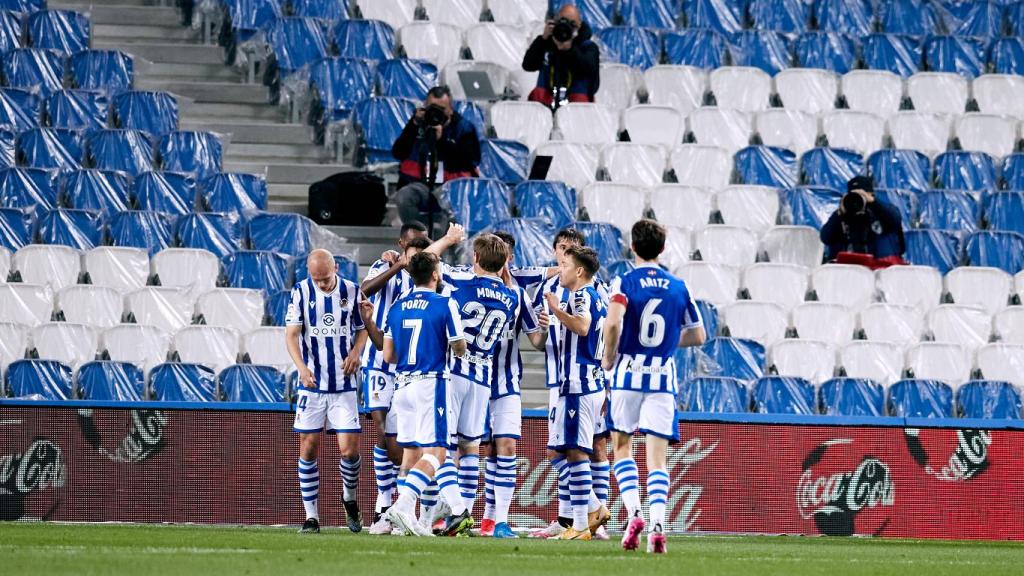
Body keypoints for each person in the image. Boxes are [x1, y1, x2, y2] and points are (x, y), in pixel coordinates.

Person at [602, 220, 706, 555]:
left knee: (621, 448)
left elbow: (614, 321)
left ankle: (634, 513)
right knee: (657, 460)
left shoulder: (625, 281)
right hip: (662, 377)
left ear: (632, 247)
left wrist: (608, 356)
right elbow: (699, 335)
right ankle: (659, 526)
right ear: (662, 249)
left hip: (627, 373)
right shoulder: (679, 286)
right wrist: (666, 345)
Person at [419, 231, 523, 536]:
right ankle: (461, 517)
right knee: (470, 449)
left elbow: (425, 261)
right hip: (483, 378)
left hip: (454, 372)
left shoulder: (458, 282)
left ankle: (455, 512)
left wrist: (448, 240)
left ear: (474, 257)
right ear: (504, 263)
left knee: (443, 446)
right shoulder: (512, 296)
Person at [360, 251, 467, 537]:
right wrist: (456, 346)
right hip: (430, 383)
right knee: (437, 451)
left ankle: (401, 522)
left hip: (402, 387)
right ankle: (404, 505)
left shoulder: (398, 305)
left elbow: (390, 354)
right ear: (435, 275)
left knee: (411, 455)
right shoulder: (445, 303)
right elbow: (458, 346)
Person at [529, 228, 612, 540]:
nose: (559, 268)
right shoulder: (596, 295)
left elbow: (582, 325)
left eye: (565, 265)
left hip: (576, 383)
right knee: (561, 451)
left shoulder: (581, 294)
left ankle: (583, 520)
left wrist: (556, 310)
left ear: (579, 270)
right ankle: (585, 517)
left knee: (571, 453)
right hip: (584, 382)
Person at [285, 249, 368, 535]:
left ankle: (350, 498)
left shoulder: (352, 291)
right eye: (316, 279)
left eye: (325, 278)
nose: (320, 284)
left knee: (349, 451)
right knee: (308, 448)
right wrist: (301, 367)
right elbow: (292, 334)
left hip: (344, 385)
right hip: (312, 385)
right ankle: (311, 517)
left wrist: (357, 352)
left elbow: (363, 328)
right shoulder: (300, 292)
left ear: (336, 266)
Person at [359, 222, 431, 534]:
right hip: (377, 361)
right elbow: (365, 291)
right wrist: (396, 267)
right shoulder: (384, 264)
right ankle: (383, 501)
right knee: (379, 428)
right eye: (413, 242)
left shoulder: (430, 273)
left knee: (400, 437)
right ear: (401, 243)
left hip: (407, 364)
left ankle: (401, 504)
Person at [478, 231, 549, 539]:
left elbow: (535, 340)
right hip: (474, 382)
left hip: (506, 384)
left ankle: (499, 520)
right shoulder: (470, 287)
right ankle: (471, 516)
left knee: (506, 448)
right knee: (471, 450)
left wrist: (544, 329)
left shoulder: (519, 295)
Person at [392, 86, 480, 232]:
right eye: (433, 107)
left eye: (442, 108)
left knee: (452, 210)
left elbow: (470, 160)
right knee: (403, 197)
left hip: (451, 187)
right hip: (422, 184)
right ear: (426, 106)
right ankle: (420, 236)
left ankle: (445, 248)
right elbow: (398, 152)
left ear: (450, 108)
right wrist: (413, 124)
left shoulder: (464, 127)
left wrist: (442, 140)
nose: (438, 112)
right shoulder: (419, 124)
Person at [522, 3, 600, 107]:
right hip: (545, 107)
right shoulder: (547, 44)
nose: (566, 28)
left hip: (575, 110)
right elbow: (528, 65)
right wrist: (542, 40)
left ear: (579, 25)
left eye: (572, 24)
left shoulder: (588, 47)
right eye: (562, 21)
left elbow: (589, 70)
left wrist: (569, 50)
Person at [820, 175, 907, 267]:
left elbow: (895, 220)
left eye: (862, 196)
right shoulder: (843, 214)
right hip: (851, 271)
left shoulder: (883, 211)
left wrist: (874, 202)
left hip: (881, 269)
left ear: (872, 195)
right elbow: (825, 237)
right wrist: (839, 213)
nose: (858, 200)